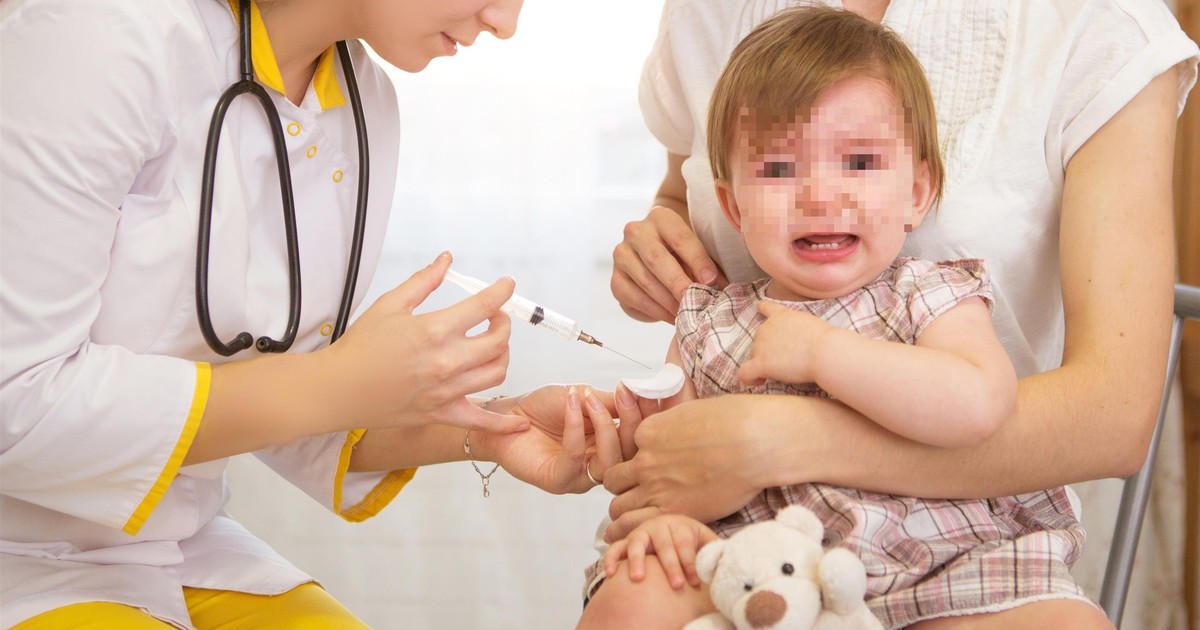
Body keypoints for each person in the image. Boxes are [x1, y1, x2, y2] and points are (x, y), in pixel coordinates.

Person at [0, 0, 624, 627]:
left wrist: (495, 427)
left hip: (180, 547)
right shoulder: (95, 36)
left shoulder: (361, 97)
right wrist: (341, 382)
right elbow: (14, 401)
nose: (504, 23)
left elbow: (288, 392)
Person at [593, 0, 1199, 627]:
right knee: (631, 592)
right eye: (777, 169)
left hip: (946, 550)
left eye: (858, 163)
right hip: (762, 551)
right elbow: (674, 449)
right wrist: (662, 514)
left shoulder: (931, 294)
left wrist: (822, 359)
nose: (819, 196)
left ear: (919, 192)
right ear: (733, 208)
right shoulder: (710, 320)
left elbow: (980, 402)